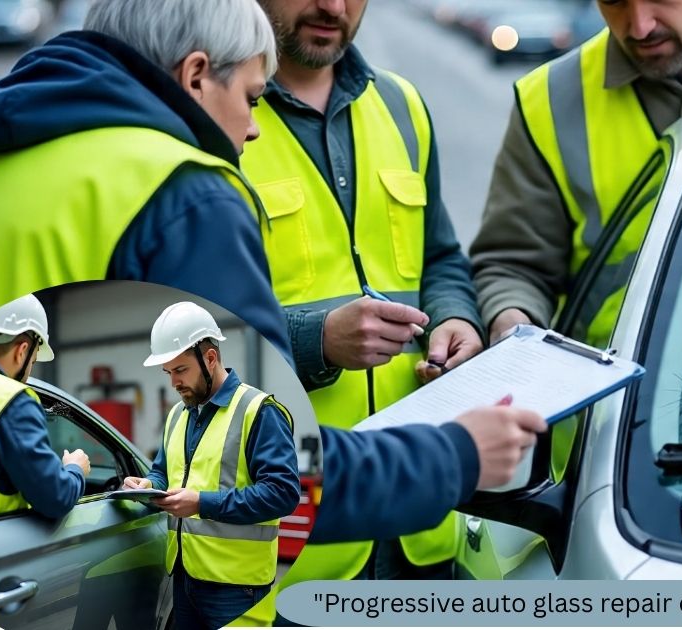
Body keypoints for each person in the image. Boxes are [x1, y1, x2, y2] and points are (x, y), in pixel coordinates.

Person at [244, 0, 483, 582]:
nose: (333, 7)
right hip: (297, 537)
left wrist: (456, 320)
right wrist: (318, 340)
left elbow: (441, 257)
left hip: (420, 521)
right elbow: (186, 327)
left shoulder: (402, 107)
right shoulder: (223, 118)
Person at [471, 0, 682, 344]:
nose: (640, 26)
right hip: (613, 392)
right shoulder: (545, 100)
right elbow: (514, 266)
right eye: (613, 2)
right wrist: (513, 327)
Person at [0, 0, 289, 359]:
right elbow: (252, 397)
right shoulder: (190, 197)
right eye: (251, 98)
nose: (253, 129)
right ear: (195, 76)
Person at [123, 302, 300, 629]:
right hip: (184, 575)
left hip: (237, 587)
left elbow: (282, 494)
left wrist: (201, 503)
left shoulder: (258, 411)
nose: (174, 382)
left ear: (210, 358)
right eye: (168, 373)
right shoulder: (178, 414)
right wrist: (149, 483)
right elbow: (163, 469)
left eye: (180, 370)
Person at [0, 294, 90, 522]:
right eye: (33, 361)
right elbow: (55, 497)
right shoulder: (10, 399)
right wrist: (75, 470)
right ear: (22, 351)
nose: (29, 373)